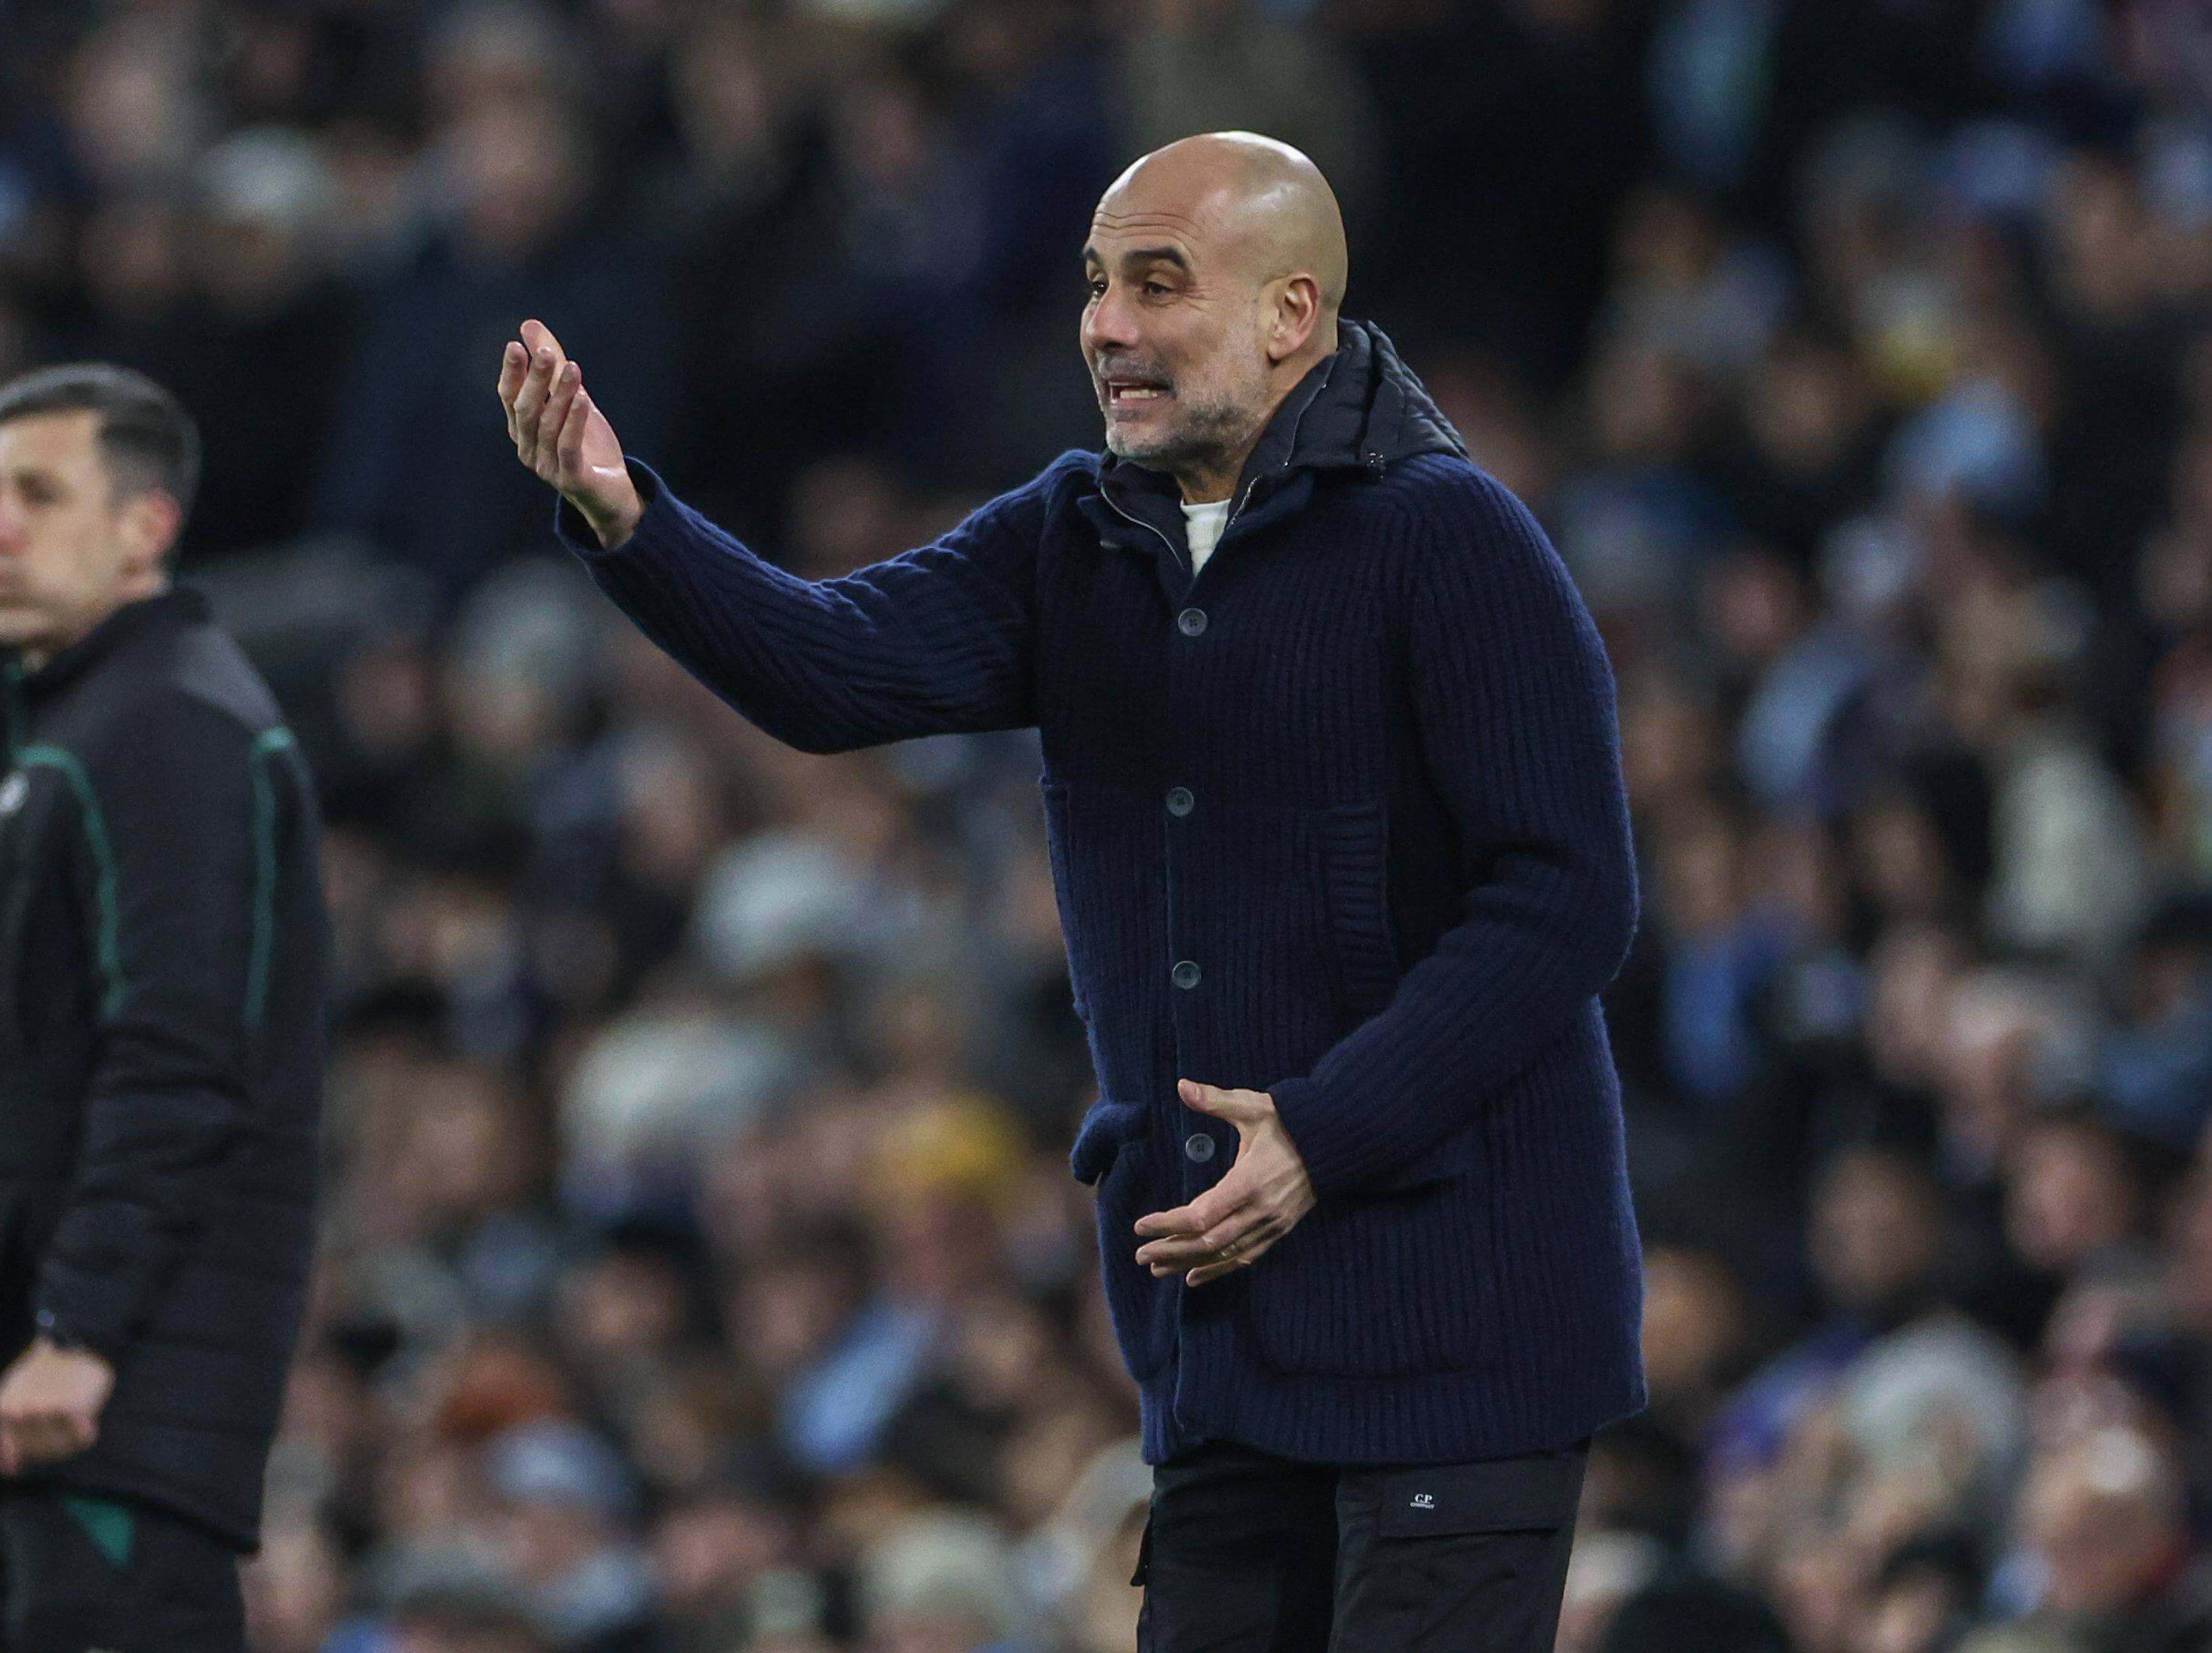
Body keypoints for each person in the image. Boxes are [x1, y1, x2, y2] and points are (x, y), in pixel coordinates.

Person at [501, 132, 1643, 1651]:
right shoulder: (1075, 532)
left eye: (1158, 285)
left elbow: (1566, 899)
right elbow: (831, 672)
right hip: (1224, 1350)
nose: (1106, 325)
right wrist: (625, 517)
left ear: (1288, 314)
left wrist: (1324, 1131)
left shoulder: (1451, 540)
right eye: (1097, 285)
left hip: (1458, 1328)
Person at [0, 364, 331, 1649]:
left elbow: (185, 1055)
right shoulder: (97, 729)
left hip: (114, 1407)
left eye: (38, 492)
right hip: (48, 1418)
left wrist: (77, 1331)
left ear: (146, 525)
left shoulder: (172, 728)